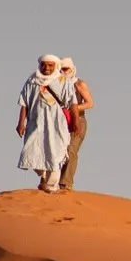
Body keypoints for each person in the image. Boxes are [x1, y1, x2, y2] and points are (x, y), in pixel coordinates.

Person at [16, 54, 75, 192]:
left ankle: (51, 185)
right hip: (36, 122)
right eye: (43, 65)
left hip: (57, 124)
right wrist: (21, 123)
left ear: (56, 66)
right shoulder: (32, 81)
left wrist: (76, 121)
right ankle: (43, 176)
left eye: (50, 65)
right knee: (32, 150)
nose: (46, 68)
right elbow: (24, 103)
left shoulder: (63, 81)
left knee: (57, 152)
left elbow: (72, 103)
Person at [56, 56, 93, 191]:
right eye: (60, 69)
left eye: (65, 69)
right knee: (58, 152)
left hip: (78, 121)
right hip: (61, 122)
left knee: (71, 151)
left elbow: (90, 103)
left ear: (71, 69)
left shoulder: (79, 84)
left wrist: (73, 108)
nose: (63, 72)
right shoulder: (56, 84)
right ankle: (52, 182)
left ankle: (65, 184)